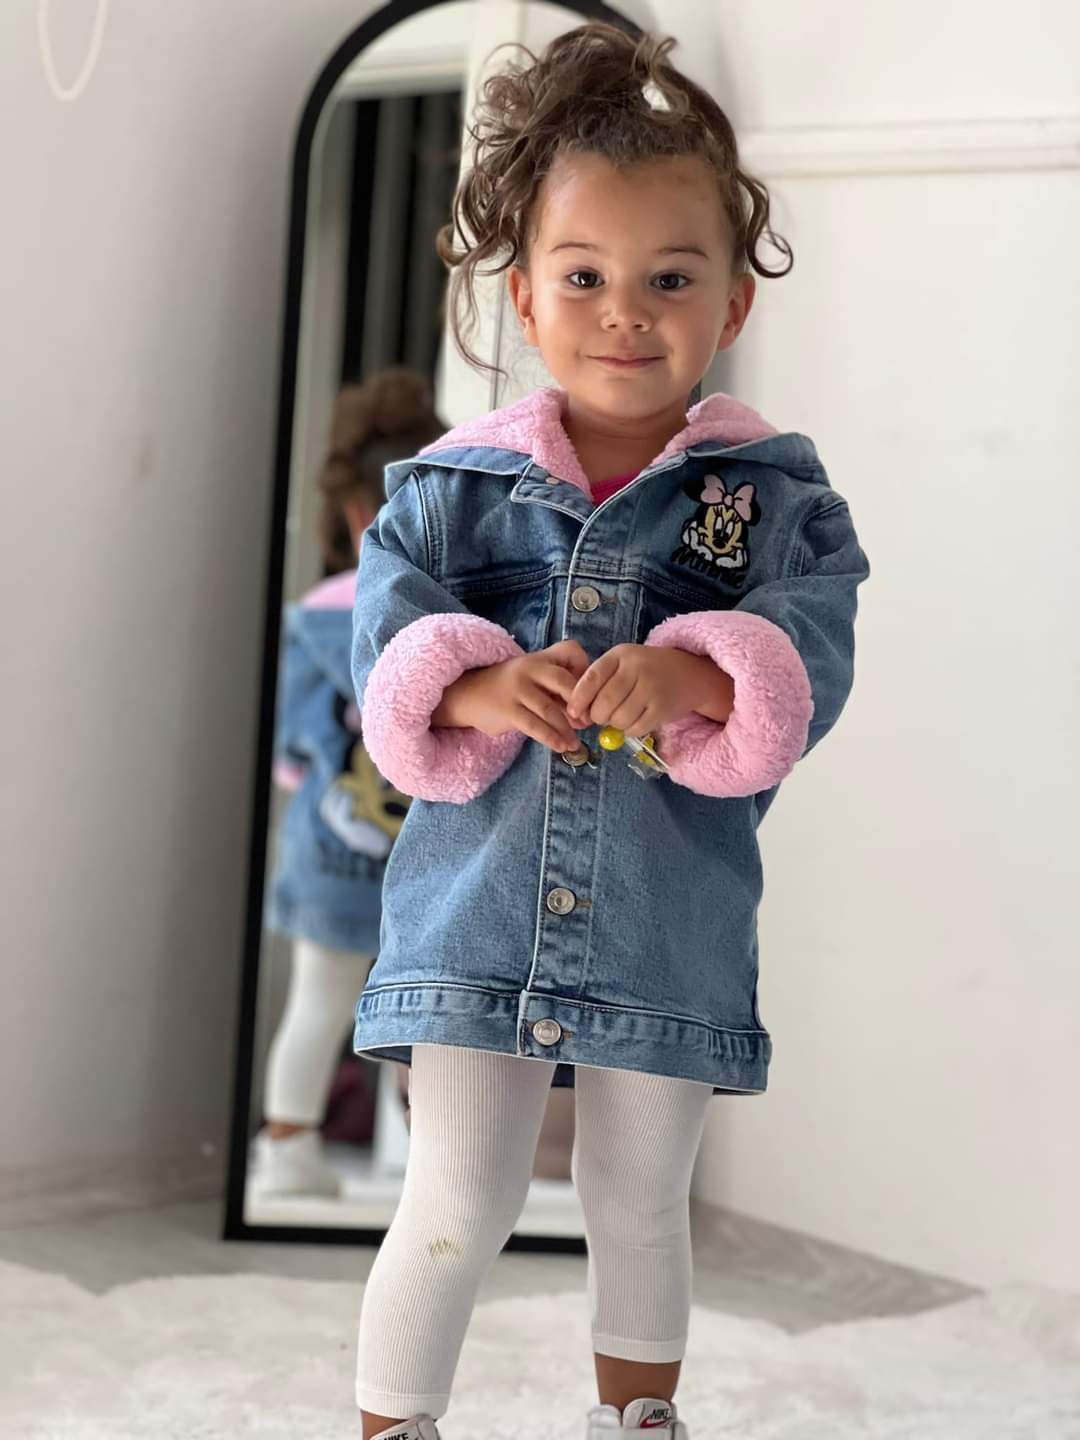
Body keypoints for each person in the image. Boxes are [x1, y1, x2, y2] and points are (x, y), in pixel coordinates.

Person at [349, 23, 870, 1440]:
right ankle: (393, 1428)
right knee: (455, 1199)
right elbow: (384, 653)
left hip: (666, 916)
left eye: (670, 279)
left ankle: (636, 1423)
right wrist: (471, 687)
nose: (625, 313)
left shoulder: (776, 504)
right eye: (583, 277)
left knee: (638, 1197)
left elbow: (812, 655)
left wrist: (699, 674)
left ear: (732, 303)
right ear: (525, 295)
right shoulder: (447, 494)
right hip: (473, 911)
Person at [250, 367, 445, 1200]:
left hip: (331, 851)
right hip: (430, 864)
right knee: (427, 1028)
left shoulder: (317, 613)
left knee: (317, 1005)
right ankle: (430, 1166)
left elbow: (290, 756)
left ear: (354, 508)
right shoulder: (447, 617)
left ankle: (288, 1150)